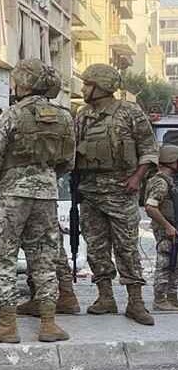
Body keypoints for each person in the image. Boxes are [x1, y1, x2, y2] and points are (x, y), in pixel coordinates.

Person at [0, 59, 74, 343]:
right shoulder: (65, 116)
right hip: (46, 193)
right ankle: (48, 323)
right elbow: (68, 161)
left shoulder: (12, 115)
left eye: (17, 80)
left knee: (4, 257)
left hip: (11, 193)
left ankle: (6, 325)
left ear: (25, 84)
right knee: (44, 257)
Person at [75, 63, 157, 326]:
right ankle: (105, 297)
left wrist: (136, 178)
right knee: (96, 247)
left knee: (127, 248)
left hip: (121, 191)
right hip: (90, 191)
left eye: (88, 84)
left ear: (101, 86)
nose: (84, 88)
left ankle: (135, 302)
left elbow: (149, 149)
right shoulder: (82, 114)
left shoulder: (130, 112)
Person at [15, 72, 81, 317]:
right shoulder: (64, 116)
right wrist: (51, 176)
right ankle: (62, 294)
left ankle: (54, 296)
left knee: (40, 246)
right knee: (50, 245)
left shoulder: (18, 113)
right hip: (48, 188)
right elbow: (68, 159)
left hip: (19, 189)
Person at [141, 145, 178, 311]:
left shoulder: (167, 181)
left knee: (174, 263)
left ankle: (172, 297)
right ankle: (160, 299)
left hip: (171, 229)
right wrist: (168, 226)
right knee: (165, 263)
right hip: (166, 231)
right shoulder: (161, 183)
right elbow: (150, 207)